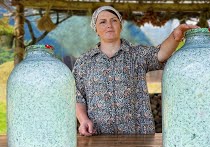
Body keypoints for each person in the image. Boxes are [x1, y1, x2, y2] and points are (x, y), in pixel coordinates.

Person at [72, 6, 198, 136]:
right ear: (96, 29)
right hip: (98, 136)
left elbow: (161, 53)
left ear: (121, 26)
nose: (109, 25)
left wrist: (175, 37)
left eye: (114, 20)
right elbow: (77, 95)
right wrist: (83, 120)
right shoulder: (84, 61)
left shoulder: (137, 55)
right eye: (102, 22)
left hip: (136, 136)